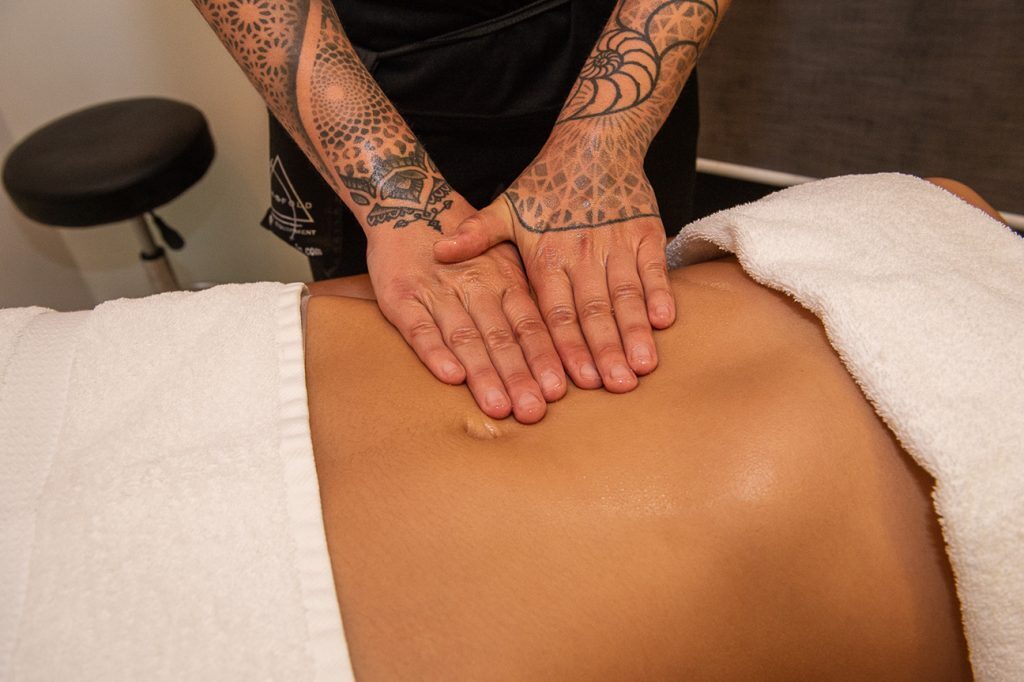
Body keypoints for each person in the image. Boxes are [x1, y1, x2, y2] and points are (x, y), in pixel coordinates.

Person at [191, 0, 730, 423]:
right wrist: (393, 192)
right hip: (360, 90)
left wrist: (605, 136)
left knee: (636, 352)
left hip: (630, 54)